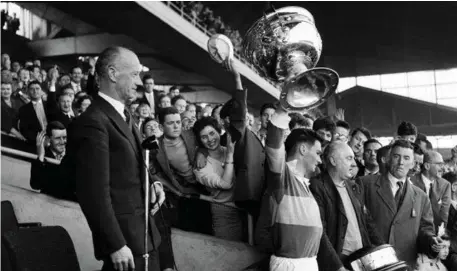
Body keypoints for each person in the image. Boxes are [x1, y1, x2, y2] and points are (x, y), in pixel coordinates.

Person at [63, 47, 165, 271]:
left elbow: (132, 164)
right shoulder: (93, 122)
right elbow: (93, 192)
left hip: (145, 237)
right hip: (125, 245)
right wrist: (115, 244)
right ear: (112, 73)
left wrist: (153, 183)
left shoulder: (125, 115)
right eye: (134, 74)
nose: (139, 82)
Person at [260, 104, 343, 271]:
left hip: (308, 262)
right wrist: (283, 109)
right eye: (318, 154)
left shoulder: (305, 184)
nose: (320, 160)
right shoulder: (282, 177)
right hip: (290, 265)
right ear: (303, 149)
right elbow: (273, 144)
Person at [361, 140, 439, 267]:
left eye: (406, 158)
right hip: (373, 263)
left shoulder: (421, 196)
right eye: (396, 156)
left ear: (413, 163)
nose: (401, 162)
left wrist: (432, 241)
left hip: (405, 264)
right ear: (388, 159)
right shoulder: (365, 185)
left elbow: (425, 229)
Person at [310, 142, 384, 270]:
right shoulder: (316, 186)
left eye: (354, 158)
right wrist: (337, 266)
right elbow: (320, 233)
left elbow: (368, 223)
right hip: (338, 263)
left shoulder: (354, 186)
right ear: (333, 161)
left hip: (361, 261)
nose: (354, 164)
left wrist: (385, 250)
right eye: (349, 158)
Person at [192, 116, 244, 241]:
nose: (210, 139)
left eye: (212, 133)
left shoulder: (229, 150)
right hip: (224, 213)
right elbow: (226, 184)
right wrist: (230, 155)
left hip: (244, 210)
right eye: (204, 137)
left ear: (219, 132)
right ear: (200, 140)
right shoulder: (200, 166)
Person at [30, 121, 75, 201]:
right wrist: (40, 156)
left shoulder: (72, 154)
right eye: (58, 138)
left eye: (64, 137)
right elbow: (35, 185)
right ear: (48, 139)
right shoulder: (43, 156)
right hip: (49, 204)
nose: (62, 142)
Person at [411, 151, 451, 232]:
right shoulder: (411, 182)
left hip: (435, 233)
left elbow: (444, 215)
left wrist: (440, 235)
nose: (443, 168)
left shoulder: (445, 185)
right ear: (427, 166)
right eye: (440, 164)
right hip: (413, 232)